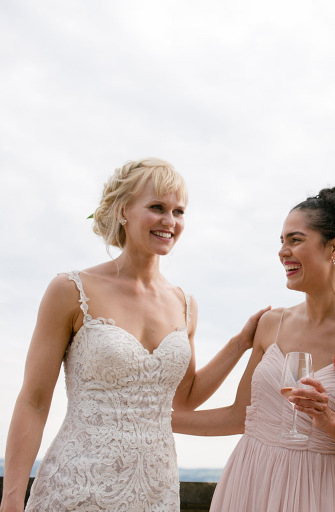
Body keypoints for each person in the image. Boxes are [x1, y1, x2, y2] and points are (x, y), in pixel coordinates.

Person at [0, 159, 267, 512]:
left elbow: (185, 398)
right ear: (123, 210)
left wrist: (238, 344)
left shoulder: (185, 304)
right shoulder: (70, 289)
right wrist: (11, 499)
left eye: (179, 211)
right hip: (76, 487)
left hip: (156, 491)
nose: (169, 221)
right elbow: (34, 402)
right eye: (157, 207)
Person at [172, 185, 335, 512]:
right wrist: (155, 420)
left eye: (295, 240)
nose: (283, 251)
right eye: (281, 241)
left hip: (314, 491)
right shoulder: (271, 324)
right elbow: (240, 417)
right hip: (248, 480)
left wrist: (328, 420)